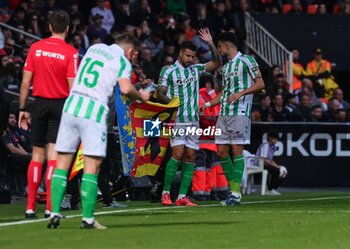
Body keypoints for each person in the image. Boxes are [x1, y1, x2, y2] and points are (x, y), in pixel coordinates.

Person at [47, 33, 150, 230]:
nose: (134, 58)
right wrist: (142, 96)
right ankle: (87, 218)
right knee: (92, 166)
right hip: (93, 112)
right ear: (130, 51)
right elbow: (126, 88)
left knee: (62, 163)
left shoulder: (95, 48)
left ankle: (53, 212)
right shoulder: (122, 61)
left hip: (71, 107)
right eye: (134, 55)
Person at [18, 10, 79, 219]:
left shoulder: (36, 48)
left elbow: (25, 82)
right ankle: (50, 208)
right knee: (54, 157)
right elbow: (73, 87)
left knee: (37, 156)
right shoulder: (71, 52)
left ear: (50, 27)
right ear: (68, 29)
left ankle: (29, 207)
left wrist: (22, 109)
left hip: (39, 104)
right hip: (61, 106)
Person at [156, 28, 221, 206]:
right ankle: (166, 193)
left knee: (191, 156)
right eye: (187, 56)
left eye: (192, 56)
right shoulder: (168, 71)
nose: (190, 59)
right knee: (177, 153)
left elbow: (217, 62)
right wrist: (173, 104)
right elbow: (159, 93)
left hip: (193, 120)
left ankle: (182, 197)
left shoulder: (195, 69)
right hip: (177, 120)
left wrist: (210, 42)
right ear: (180, 53)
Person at [201, 32, 265, 206]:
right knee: (221, 151)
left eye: (220, 46)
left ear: (227, 45)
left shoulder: (247, 60)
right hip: (224, 112)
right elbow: (224, 92)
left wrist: (241, 93)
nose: (220, 50)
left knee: (236, 150)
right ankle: (233, 190)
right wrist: (207, 105)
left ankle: (235, 193)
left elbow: (260, 84)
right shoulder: (227, 67)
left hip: (240, 111)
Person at [255, 130, 287, 195]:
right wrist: (276, 167)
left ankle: (273, 189)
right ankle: (269, 190)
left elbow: (271, 160)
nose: (276, 140)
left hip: (266, 164)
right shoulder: (265, 145)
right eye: (274, 138)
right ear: (270, 138)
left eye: (277, 139)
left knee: (283, 172)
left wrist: (278, 166)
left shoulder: (273, 147)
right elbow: (263, 159)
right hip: (259, 164)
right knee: (276, 171)